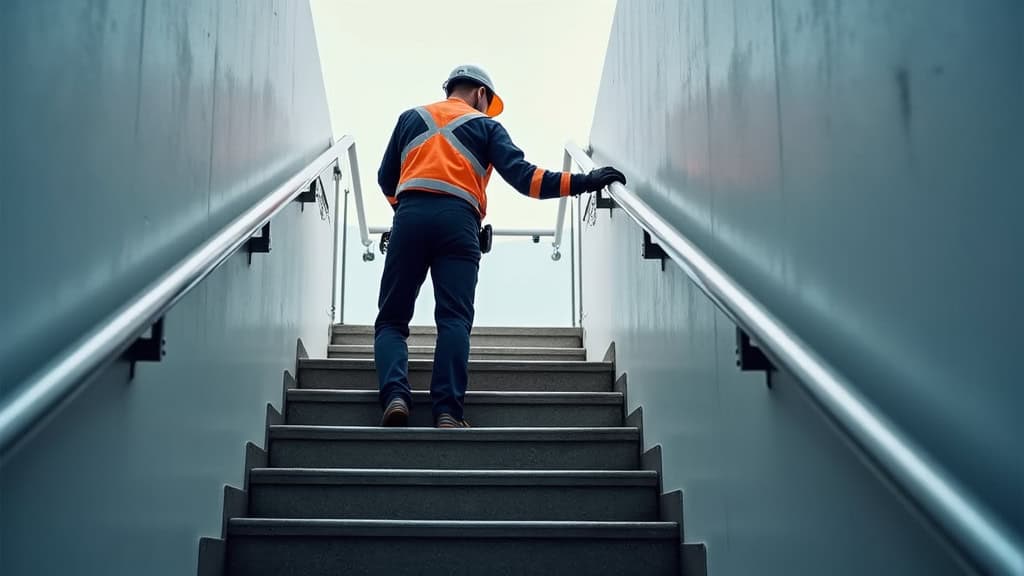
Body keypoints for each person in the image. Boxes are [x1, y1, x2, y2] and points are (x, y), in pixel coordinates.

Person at [374, 64, 626, 428]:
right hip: (460, 223)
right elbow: (528, 179)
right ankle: (446, 412)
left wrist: (408, 215)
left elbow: (386, 180)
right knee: (454, 319)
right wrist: (585, 182)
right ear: (481, 94)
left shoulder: (410, 118)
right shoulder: (486, 126)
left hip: (410, 215)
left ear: (450, 89)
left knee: (392, 320)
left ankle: (396, 397)